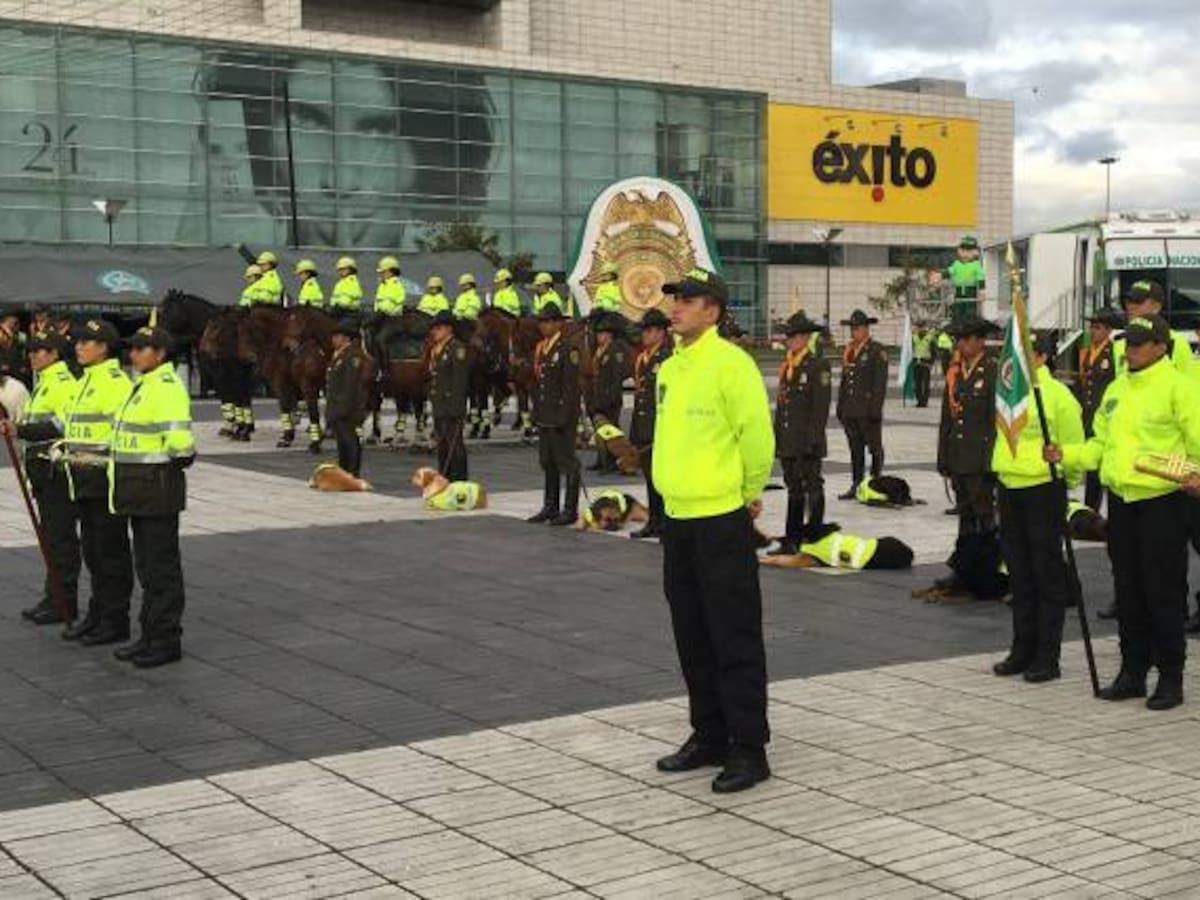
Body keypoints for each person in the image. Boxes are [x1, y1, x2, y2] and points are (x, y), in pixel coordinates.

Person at [652, 267, 774, 794]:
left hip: (721, 519)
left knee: (733, 634)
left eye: (689, 298)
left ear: (714, 310)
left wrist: (747, 494)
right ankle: (709, 734)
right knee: (692, 635)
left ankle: (749, 748)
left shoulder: (732, 365)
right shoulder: (671, 367)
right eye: (675, 297)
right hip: (677, 519)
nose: (676, 306)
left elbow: (756, 437)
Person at [1046, 315, 1200, 710]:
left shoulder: (1181, 388)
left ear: (1160, 346)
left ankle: (1170, 677)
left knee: (1162, 591)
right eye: (1127, 342)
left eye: (1137, 343)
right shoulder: (1116, 389)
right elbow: (1100, 444)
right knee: (1128, 589)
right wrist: (1067, 455)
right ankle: (1133, 672)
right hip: (1122, 502)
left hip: (1162, 501)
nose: (1128, 349)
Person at [991, 332, 1084, 683]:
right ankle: (1022, 647)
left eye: (1024, 355)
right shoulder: (1008, 393)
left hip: (1043, 488)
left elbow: (1073, 444)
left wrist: (1068, 480)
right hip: (1010, 485)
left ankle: (1048, 654)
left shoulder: (1058, 396)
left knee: (1046, 574)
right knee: (1019, 572)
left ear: (1042, 357)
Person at [109, 326, 195, 668]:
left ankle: (165, 640)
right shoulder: (142, 385)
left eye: (141, 349)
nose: (133, 354)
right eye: (132, 349)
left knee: (161, 570)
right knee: (146, 567)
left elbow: (180, 445)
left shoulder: (166, 387)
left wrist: (179, 453)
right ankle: (148, 635)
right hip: (140, 489)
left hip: (157, 488)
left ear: (160, 354)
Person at [60, 318, 134, 646]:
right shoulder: (84, 380)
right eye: (77, 341)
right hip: (82, 478)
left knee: (111, 554)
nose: (78, 346)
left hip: (104, 478)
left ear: (104, 347)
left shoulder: (114, 382)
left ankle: (115, 619)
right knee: (93, 552)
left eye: (86, 342)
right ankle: (98, 612)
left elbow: (121, 434)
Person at [922, 315, 1007, 601]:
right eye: (958, 339)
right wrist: (943, 457)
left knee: (984, 518)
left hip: (980, 459)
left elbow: (998, 422)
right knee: (966, 517)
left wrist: (991, 462)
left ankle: (986, 572)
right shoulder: (956, 370)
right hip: (959, 457)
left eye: (963, 339)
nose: (958, 344)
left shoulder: (993, 370)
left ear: (978, 341)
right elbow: (948, 416)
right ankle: (964, 569)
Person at [0, 331, 80, 624]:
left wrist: (18, 430)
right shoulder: (44, 383)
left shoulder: (63, 384)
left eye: (41, 350)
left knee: (61, 540)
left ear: (56, 354)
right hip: (42, 471)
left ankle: (63, 602)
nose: (33, 355)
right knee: (51, 537)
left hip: (56, 470)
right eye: (31, 350)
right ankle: (54, 597)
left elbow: (61, 426)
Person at [770, 311, 830, 556]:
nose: (789, 340)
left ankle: (812, 536)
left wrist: (813, 439)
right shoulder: (788, 364)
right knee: (793, 487)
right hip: (788, 438)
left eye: (794, 336)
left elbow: (820, 407)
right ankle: (792, 538)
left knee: (812, 485)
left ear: (806, 338)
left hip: (806, 439)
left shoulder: (817, 365)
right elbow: (783, 404)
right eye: (788, 336)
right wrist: (778, 437)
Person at [526, 301, 582, 526]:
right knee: (547, 462)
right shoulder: (542, 348)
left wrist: (564, 417)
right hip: (545, 415)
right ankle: (550, 506)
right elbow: (539, 384)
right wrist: (535, 412)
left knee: (567, 463)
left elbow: (571, 388)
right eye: (542, 322)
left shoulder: (568, 349)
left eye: (549, 321)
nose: (544, 326)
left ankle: (570, 509)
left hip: (561, 416)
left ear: (559, 323)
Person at [629, 309, 672, 539]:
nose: (643, 336)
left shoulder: (667, 359)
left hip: (660, 428)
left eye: (646, 331)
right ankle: (654, 521)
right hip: (645, 427)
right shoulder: (643, 358)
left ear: (659, 332)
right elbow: (640, 398)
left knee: (662, 479)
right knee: (649, 476)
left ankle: (665, 522)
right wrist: (635, 433)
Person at [835, 309, 887, 498]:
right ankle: (856, 484)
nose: (853, 332)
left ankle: (875, 483)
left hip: (867, 410)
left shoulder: (876, 351)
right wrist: (840, 407)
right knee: (855, 450)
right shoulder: (849, 351)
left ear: (866, 329)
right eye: (852, 328)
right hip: (851, 410)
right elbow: (845, 381)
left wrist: (875, 409)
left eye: (857, 328)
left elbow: (879, 383)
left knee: (874, 448)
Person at [1077, 308, 1121, 513]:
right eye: (1091, 327)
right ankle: (1090, 511)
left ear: (1108, 330)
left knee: (1105, 468)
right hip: (1088, 417)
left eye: (1097, 328)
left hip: (1104, 418)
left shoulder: (1112, 352)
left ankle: (1099, 512)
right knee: (1091, 468)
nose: (1093, 332)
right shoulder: (1086, 353)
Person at [1113, 280, 1192, 374]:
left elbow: (1185, 381)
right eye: (1128, 301)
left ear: (1156, 307)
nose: (1131, 306)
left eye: (1138, 302)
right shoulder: (1119, 342)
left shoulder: (1176, 342)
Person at [427, 310, 469, 481]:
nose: (434, 332)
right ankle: (445, 479)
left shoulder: (457, 349)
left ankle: (459, 481)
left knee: (455, 446)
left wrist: (457, 409)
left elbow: (460, 382)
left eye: (438, 328)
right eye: (433, 329)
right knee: (443, 446)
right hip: (440, 406)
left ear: (448, 329)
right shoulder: (437, 350)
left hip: (452, 406)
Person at [324, 318, 367, 477]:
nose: (334, 339)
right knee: (342, 442)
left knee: (350, 441)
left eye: (337, 336)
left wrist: (343, 408)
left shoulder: (352, 356)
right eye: (334, 336)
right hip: (337, 407)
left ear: (346, 338)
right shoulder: (339, 355)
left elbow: (350, 385)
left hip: (346, 408)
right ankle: (344, 471)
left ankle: (353, 473)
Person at [586, 314, 626, 474]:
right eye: (598, 333)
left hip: (610, 399)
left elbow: (616, 377)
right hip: (599, 396)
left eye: (602, 333)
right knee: (601, 431)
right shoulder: (599, 351)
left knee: (611, 431)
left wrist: (610, 398)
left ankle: (611, 461)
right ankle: (601, 459)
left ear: (609, 335)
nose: (599, 337)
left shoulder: (615, 351)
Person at [942, 235, 986, 321]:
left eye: (969, 250)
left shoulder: (976, 265)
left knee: (970, 312)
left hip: (971, 291)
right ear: (960, 251)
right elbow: (949, 271)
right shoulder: (957, 264)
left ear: (975, 252)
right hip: (958, 291)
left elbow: (980, 278)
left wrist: (982, 291)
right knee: (957, 311)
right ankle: (957, 326)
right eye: (964, 250)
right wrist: (939, 276)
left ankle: (969, 329)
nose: (966, 253)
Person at [0, 309, 30, 386]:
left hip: (17, 371)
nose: (13, 325)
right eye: (10, 322)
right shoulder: (2, 334)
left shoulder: (20, 336)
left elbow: (25, 351)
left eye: (15, 323)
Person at [912, 323, 935, 407]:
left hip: (926, 363)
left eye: (922, 327)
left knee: (925, 384)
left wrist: (931, 363)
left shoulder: (929, 338)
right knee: (917, 384)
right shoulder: (914, 337)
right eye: (919, 327)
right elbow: (910, 350)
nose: (921, 329)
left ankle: (924, 401)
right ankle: (919, 400)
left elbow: (934, 352)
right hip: (916, 363)